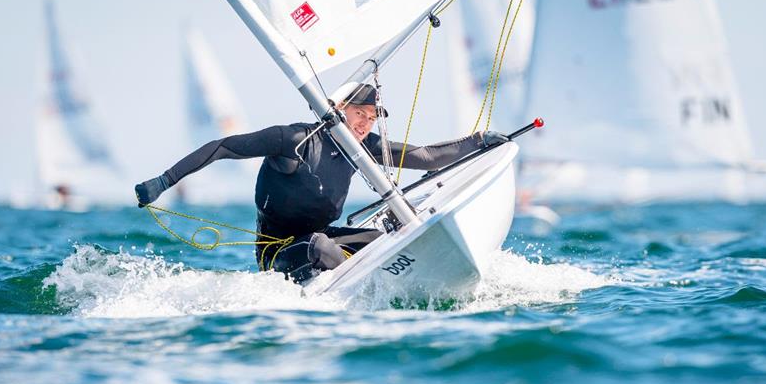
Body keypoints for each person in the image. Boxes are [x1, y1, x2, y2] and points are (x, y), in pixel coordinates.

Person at [135, 84, 511, 282]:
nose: (365, 123)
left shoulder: (365, 146)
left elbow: (423, 157)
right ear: (338, 110)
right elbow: (222, 147)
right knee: (318, 246)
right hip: (280, 252)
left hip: (326, 237)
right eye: (358, 114)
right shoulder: (294, 141)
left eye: (371, 117)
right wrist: (163, 181)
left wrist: (479, 141)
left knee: (388, 243)